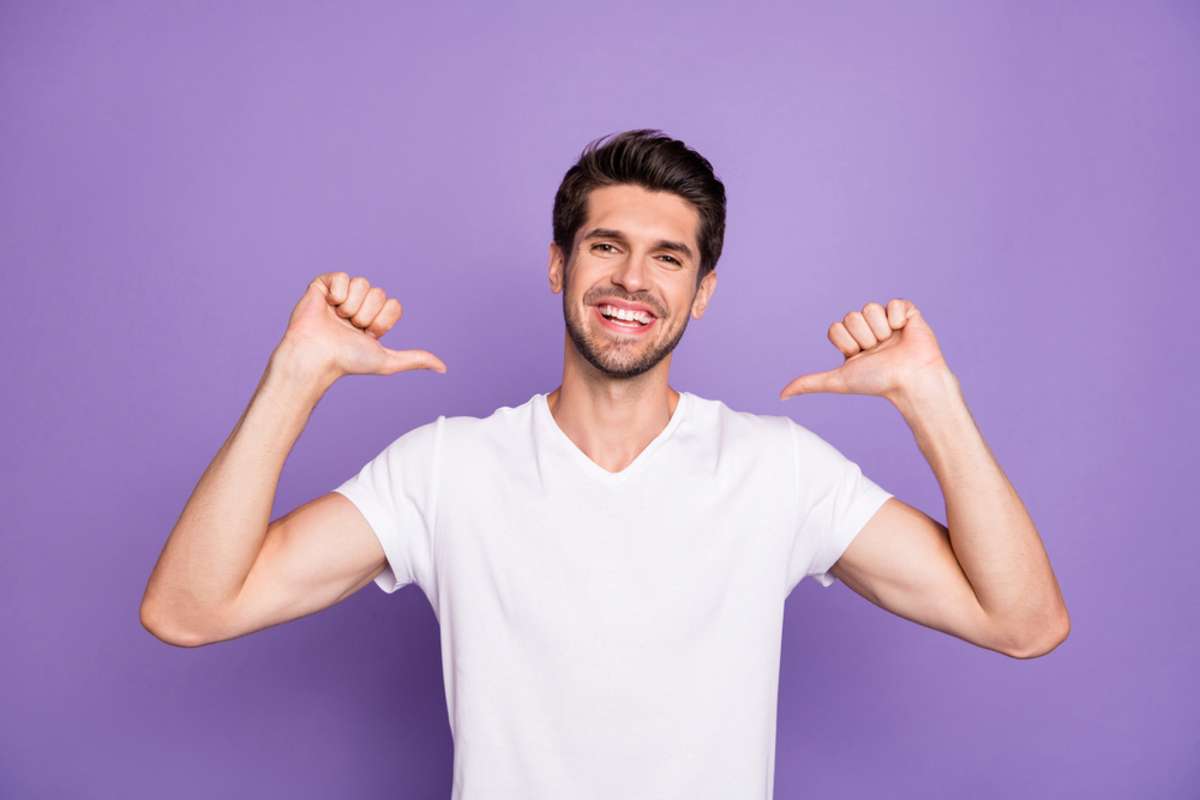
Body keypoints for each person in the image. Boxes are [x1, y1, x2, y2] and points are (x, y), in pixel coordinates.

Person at [140, 129, 1070, 799]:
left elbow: (1023, 622)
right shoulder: (447, 469)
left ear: (701, 294)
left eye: (668, 258)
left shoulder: (777, 469)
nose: (633, 279)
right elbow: (189, 609)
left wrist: (932, 399)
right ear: (558, 265)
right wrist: (294, 379)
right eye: (607, 246)